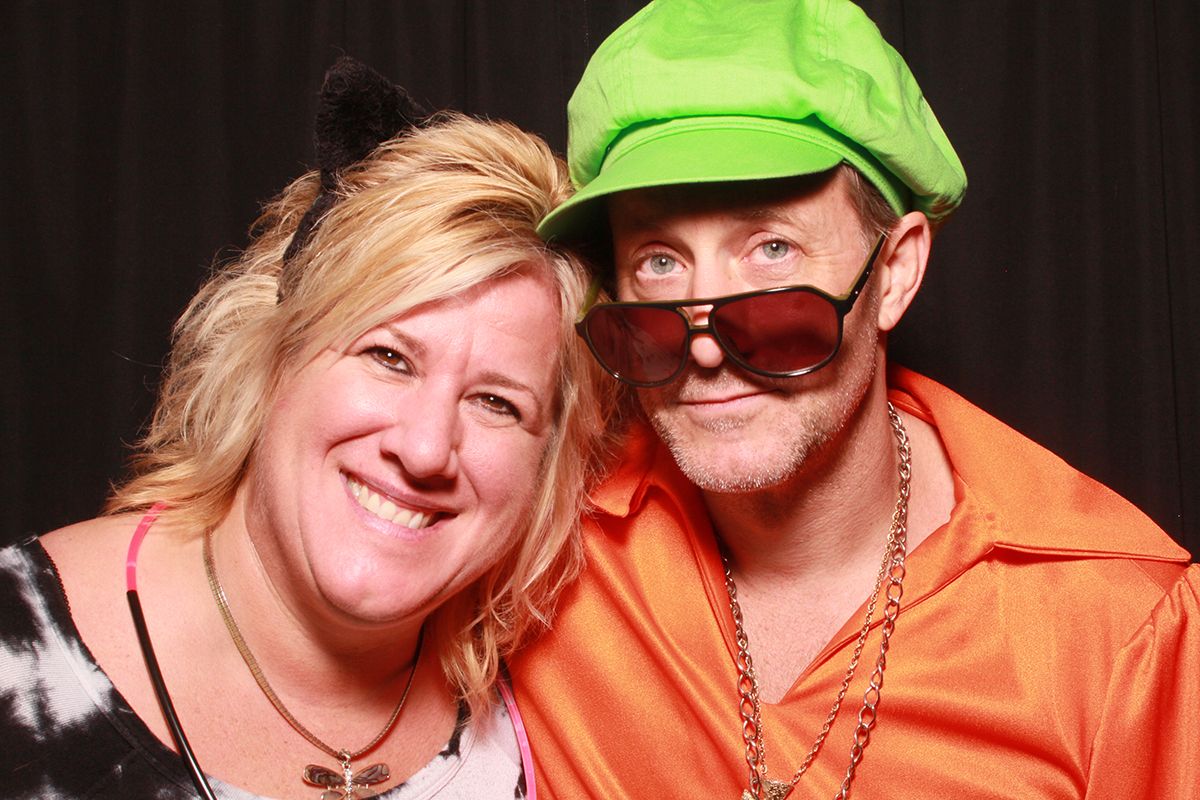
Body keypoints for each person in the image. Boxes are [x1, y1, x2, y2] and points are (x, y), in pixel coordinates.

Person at [511, 1, 1200, 798]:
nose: (704, 346)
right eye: (660, 262)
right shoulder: (538, 550)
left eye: (772, 249)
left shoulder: (1117, 626)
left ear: (895, 273)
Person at [0, 58, 612, 799]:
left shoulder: (547, 715)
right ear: (274, 353)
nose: (424, 449)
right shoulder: (15, 660)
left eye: (495, 403)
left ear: (550, 463)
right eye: (389, 357)